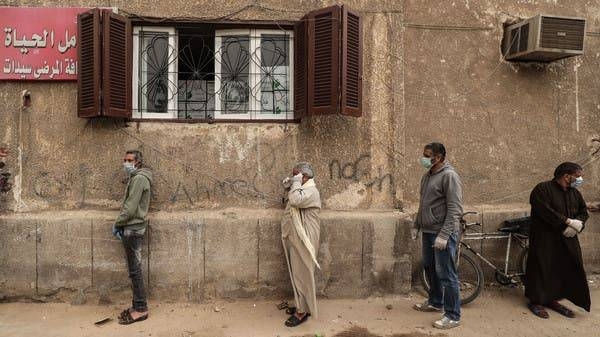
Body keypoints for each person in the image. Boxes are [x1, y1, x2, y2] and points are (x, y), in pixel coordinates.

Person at [525, 162, 590, 319]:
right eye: (578, 176)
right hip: (544, 238)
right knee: (542, 267)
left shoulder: (574, 193)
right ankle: (536, 301)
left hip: (567, 238)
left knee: (563, 267)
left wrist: (578, 224)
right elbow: (545, 210)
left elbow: (583, 211)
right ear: (566, 176)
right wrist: (567, 222)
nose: (580, 179)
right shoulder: (542, 189)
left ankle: (553, 299)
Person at [411, 142, 463, 330]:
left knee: (447, 274)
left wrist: (444, 235)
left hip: (443, 234)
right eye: (423, 154)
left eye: (428, 155)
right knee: (430, 267)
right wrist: (417, 225)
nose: (424, 158)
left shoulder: (449, 176)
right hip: (428, 231)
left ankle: (453, 315)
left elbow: (455, 209)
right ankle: (435, 302)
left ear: (439, 157)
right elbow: (423, 204)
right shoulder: (427, 176)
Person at [113, 150, 153, 325]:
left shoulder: (138, 179)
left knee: (135, 271)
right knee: (133, 270)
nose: (125, 163)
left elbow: (130, 208)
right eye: (124, 159)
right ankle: (137, 305)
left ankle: (141, 309)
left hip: (133, 228)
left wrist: (118, 223)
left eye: (129, 160)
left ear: (137, 163)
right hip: (134, 227)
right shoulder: (137, 178)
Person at [280, 162, 321, 327]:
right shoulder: (302, 189)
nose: (294, 177)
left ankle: (302, 312)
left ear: (305, 177)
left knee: (302, 274)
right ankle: (302, 305)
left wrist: (295, 184)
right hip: (297, 237)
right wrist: (289, 187)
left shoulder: (312, 191)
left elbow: (296, 200)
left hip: (306, 239)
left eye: (297, 175)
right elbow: (291, 201)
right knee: (297, 273)